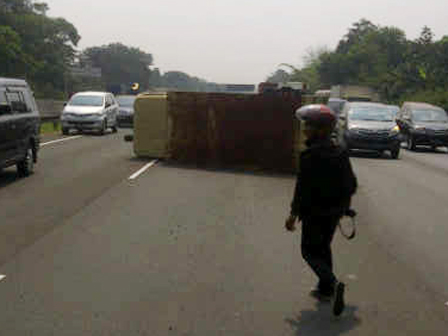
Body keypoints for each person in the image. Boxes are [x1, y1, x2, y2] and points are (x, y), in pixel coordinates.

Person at [285, 104, 357, 317]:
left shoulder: (309, 156)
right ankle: (324, 289)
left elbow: (302, 190)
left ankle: (332, 284)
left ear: (320, 130)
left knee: (308, 251)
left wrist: (293, 214)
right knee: (324, 247)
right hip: (334, 213)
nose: (305, 129)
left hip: (313, 213)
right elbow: (351, 184)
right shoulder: (341, 153)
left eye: (309, 126)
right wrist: (343, 206)